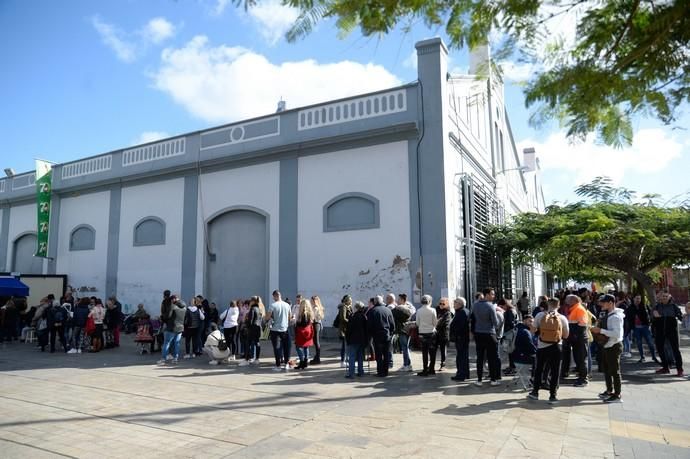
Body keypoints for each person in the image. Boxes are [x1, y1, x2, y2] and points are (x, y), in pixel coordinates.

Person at [527, 298, 569, 404]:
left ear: (548, 304)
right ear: (558, 305)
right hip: (556, 347)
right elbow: (566, 335)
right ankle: (552, 396)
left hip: (542, 347)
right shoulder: (562, 318)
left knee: (539, 369)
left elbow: (533, 331)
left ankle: (535, 392)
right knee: (555, 371)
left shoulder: (540, 315)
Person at [591, 294, 625, 403]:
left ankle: (617, 395)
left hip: (613, 346)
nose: (601, 304)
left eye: (604, 302)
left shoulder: (615, 317)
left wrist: (600, 331)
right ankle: (609, 391)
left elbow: (616, 333)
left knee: (614, 371)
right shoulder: (610, 314)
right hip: (608, 345)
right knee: (607, 370)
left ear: (611, 303)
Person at [472, 287, 501, 386]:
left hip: (478, 333)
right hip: (489, 333)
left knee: (480, 357)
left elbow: (472, 318)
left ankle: (479, 380)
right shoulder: (490, 306)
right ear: (487, 294)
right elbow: (496, 323)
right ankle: (493, 380)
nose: (494, 296)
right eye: (492, 294)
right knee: (491, 357)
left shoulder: (475, 305)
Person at [653, 292, 684, 377]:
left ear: (670, 297)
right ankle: (665, 367)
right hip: (660, 331)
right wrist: (655, 316)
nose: (664, 298)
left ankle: (680, 369)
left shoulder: (674, 306)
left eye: (666, 296)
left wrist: (681, 316)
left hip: (671, 331)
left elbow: (680, 316)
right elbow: (653, 317)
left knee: (675, 350)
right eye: (663, 296)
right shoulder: (657, 306)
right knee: (660, 349)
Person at [562, 294, 590, 387]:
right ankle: (581, 377)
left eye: (567, 299)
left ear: (573, 301)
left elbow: (582, 325)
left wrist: (573, 334)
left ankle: (583, 379)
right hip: (576, 339)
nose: (565, 300)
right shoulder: (575, 308)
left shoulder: (579, 309)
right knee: (578, 359)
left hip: (579, 339)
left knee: (580, 359)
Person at [366, 295, 395, 377]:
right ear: (382, 301)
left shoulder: (372, 311)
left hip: (377, 335)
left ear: (375, 302)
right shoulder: (388, 310)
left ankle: (380, 371)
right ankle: (386, 371)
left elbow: (369, 325)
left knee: (379, 355)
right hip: (386, 335)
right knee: (386, 354)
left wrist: (370, 334)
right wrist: (391, 332)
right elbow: (392, 324)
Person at [266, 290, 292, 371]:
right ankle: (287, 364)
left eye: (273, 297)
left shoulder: (272, 305)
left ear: (275, 296)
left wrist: (268, 318)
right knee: (286, 347)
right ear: (280, 295)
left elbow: (267, 317)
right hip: (285, 329)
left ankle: (278, 365)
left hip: (275, 330)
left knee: (277, 348)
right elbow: (289, 318)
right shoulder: (287, 305)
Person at [628, 294, 659, 363]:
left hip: (645, 327)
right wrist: (631, 327)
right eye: (637, 298)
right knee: (639, 343)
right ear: (633, 299)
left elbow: (650, 314)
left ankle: (654, 357)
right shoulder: (630, 307)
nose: (638, 300)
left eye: (639, 298)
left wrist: (649, 323)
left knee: (650, 342)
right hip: (636, 328)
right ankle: (642, 357)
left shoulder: (644, 306)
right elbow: (628, 317)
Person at [158, 295, 186, 364]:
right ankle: (175, 358)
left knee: (166, 343)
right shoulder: (185, 307)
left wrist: (162, 317)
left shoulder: (173, 306)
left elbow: (167, 316)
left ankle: (163, 359)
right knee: (177, 343)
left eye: (171, 300)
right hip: (180, 328)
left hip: (171, 327)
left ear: (174, 299)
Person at [416, 295, 438, 377]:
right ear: (430, 301)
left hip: (422, 333)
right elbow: (435, 323)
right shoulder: (433, 310)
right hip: (431, 333)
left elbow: (417, 323)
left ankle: (425, 369)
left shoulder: (419, 310)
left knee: (424, 352)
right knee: (432, 352)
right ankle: (432, 369)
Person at [345, 301, 368, 378]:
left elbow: (349, 329)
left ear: (357, 308)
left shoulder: (353, 316)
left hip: (353, 339)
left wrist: (347, 339)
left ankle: (351, 373)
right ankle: (360, 372)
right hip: (362, 340)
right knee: (360, 356)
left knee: (352, 357)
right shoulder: (364, 317)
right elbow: (366, 329)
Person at [239, 296, 264, 366]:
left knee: (248, 343)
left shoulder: (252, 308)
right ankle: (257, 359)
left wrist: (247, 325)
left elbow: (250, 319)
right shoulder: (259, 309)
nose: (250, 302)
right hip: (258, 328)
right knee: (257, 343)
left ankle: (246, 360)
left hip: (252, 328)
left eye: (251, 300)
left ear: (253, 301)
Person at [450, 297, 470, 381]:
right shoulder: (462, 311)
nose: (454, 303)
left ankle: (461, 374)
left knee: (461, 357)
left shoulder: (462, 312)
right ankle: (465, 373)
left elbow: (461, 326)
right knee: (463, 356)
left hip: (461, 338)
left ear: (460, 304)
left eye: (455, 302)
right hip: (462, 338)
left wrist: (456, 334)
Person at [393, 295, 414, 372]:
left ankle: (406, 365)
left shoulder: (400, 309)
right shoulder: (410, 307)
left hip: (402, 330)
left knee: (404, 348)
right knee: (406, 348)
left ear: (402, 300)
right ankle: (408, 364)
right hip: (408, 329)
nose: (397, 300)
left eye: (399, 299)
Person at [498, 299, 518, 376]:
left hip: (509, 333)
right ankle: (511, 366)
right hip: (511, 332)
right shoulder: (512, 310)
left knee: (510, 350)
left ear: (505, 305)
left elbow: (510, 323)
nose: (502, 308)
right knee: (510, 351)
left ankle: (512, 367)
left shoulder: (509, 311)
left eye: (502, 306)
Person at [294, 298, 315, 370]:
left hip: (302, 332)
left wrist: (296, 322)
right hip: (308, 331)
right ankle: (305, 361)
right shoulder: (310, 312)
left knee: (298, 347)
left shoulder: (303, 313)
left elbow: (302, 324)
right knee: (306, 347)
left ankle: (302, 362)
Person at [435, 297, 453, 372]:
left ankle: (443, 364)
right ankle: (432, 364)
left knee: (443, 349)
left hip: (443, 333)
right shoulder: (436, 310)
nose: (441, 305)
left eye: (443, 303)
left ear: (447, 304)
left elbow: (446, 323)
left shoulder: (448, 312)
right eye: (440, 303)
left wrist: (437, 322)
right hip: (435, 333)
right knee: (433, 349)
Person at [336, 295, 353, 368]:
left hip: (347, 329)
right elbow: (343, 318)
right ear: (347, 300)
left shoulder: (349, 307)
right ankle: (343, 361)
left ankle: (347, 360)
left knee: (347, 346)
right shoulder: (343, 307)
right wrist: (350, 322)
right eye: (350, 300)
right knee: (344, 346)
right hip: (344, 329)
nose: (351, 301)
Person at [310, 295, 325, 364]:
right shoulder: (318, 307)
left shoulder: (315, 308)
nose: (311, 302)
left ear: (314, 301)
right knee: (316, 342)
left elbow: (313, 318)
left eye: (312, 301)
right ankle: (317, 357)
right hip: (317, 324)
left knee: (316, 342)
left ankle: (317, 358)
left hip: (316, 324)